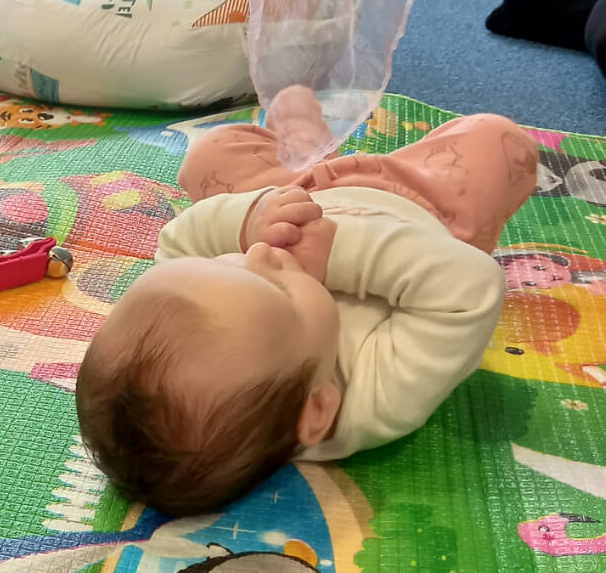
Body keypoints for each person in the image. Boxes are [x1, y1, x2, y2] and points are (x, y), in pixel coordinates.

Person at [75, 85, 538, 516]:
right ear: (318, 410)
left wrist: (250, 221)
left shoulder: (243, 283)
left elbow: (178, 241)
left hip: (291, 191)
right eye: (277, 287)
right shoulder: (378, 397)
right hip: (423, 201)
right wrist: (335, 252)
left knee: (208, 155)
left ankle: (307, 141)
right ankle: (315, 141)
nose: (258, 256)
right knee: (500, 141)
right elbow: (469, 287)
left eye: (223, 263)